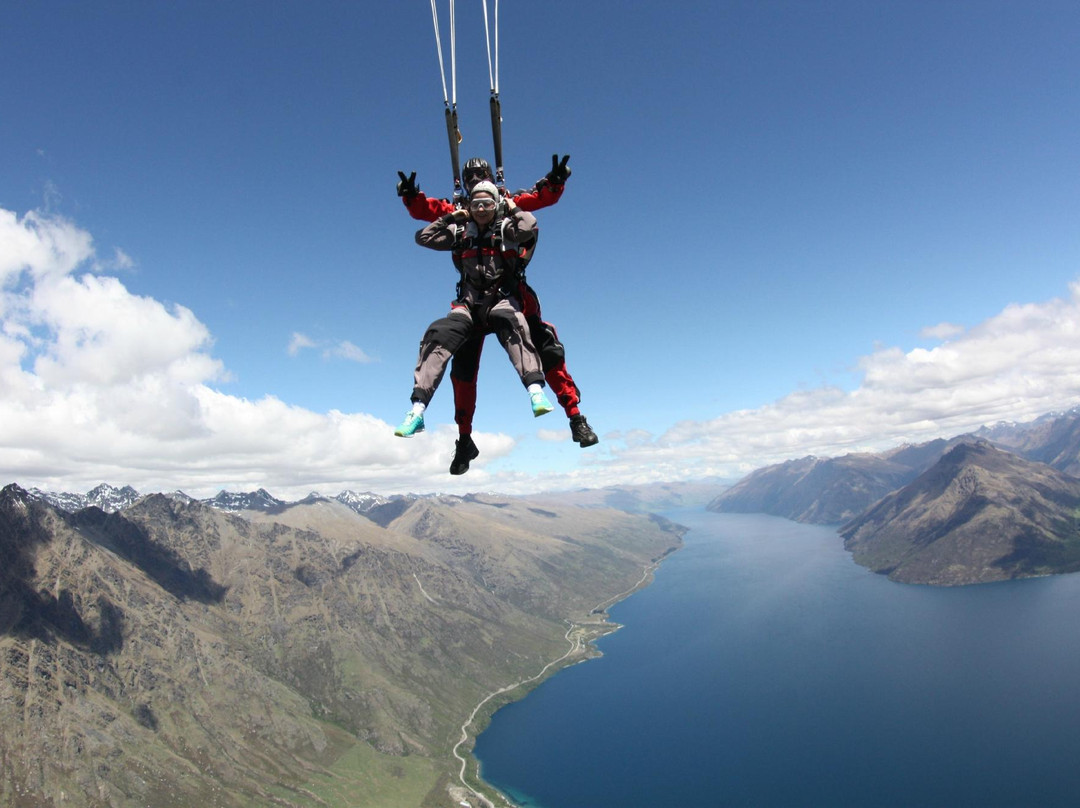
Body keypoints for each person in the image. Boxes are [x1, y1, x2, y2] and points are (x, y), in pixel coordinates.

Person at [397, 156, 598, 474]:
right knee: (462, 373)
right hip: (472, 303)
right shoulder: (461, 212)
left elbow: (538, 200)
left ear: (491, 176)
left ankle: (575, 417)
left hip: (510, 296)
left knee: (546, 347)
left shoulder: (505, 203)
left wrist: (555, 180)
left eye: (482, 174)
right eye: (471, 176)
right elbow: (428, 212)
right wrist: (411, 196)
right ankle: (464, 442)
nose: (477, 179)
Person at [394, 181, 554, 439]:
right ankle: (417, 409)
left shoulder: (506, 230)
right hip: (468, 306)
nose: (481, 210)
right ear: (468, 207)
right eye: (476, 204)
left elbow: (528, 226)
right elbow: (423, 237)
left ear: (495, 205)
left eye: (487, 204)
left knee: (512, 323)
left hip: (500, 300)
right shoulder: (460, 234)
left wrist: (510, 207)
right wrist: (451, 217)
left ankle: (535, 389)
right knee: (438, 333)